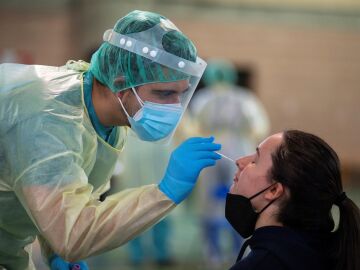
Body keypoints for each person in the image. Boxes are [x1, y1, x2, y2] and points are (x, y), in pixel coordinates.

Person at [0, 10, 222, 270]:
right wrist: (165, 192)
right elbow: (71, 235)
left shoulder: (109, 117)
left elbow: (61, 196)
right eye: (163, 93)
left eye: (181, 95)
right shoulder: (48, 118)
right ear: (120, 83)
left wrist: (53, 250)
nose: (175, 107)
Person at [226, 130, 360, 270]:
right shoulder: (327, 251)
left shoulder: (260, 265)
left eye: (255, 161)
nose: (239, 162)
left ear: (274, 190)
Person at [190, 59, 270, 267]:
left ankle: (212, 253)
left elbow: (192, 127)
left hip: (210, 149)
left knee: (209, 202)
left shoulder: (203, 98)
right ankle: (240, 251)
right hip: (238, 149)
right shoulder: (245, 98)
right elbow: (259, 127)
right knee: (241, 198)